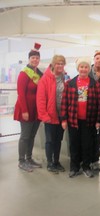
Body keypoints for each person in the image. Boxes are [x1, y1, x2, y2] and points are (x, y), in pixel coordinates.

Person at [61, 57, 100, 178]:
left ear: (89, 69)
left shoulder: (95, 84)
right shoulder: (70, 84)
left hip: (89, 121)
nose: (83, 69)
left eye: (86, 67)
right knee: (73, 144)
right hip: (73, 120)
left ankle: (86, 166)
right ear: (78, 68)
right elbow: (64, 102)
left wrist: (99, 120)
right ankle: (74, 167)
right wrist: (64, 119)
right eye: (81, 67)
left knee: (87, 145)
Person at [14, 43, 43, 172]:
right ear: (29, 59)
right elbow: (21, 93)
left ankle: (29, 158)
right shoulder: (24, 73)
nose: (35, 60)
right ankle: (21, 160)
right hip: (25, 109)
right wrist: (24, 110)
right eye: (33, 58)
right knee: (25, 136)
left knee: (32, 136)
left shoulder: (39, 73)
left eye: (37, 58)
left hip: (36, 110)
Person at [37, 55, 66, 174]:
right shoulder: (45, 78)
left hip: (61, 116)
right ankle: (50, 162)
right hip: (50, 115)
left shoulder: (64, 77)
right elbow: (41, 99)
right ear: (53, 64)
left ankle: (56, 161)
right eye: (57, 63)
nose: (59, 66)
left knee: (58, 140)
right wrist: (44, 116)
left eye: (62, 63)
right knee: (49, 140)